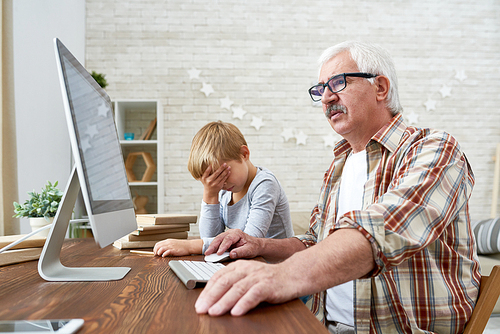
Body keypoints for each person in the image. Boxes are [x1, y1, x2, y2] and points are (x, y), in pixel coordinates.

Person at [194, 41, 481, 334]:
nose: (326, 98)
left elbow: (384, 230)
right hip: (323, 324)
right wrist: (261, 245)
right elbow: (316, 241)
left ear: (380, 88)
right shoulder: (338, 166)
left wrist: (280, 276)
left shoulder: (433, 149)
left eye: (338, 83)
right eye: (320, 89)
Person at [153, 121, 294, 257]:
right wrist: (210, 194)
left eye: (222, 175)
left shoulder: (265, 184)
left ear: (244, 154)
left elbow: (248, 243)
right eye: (213, 179)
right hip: (248, 264)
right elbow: (211, 239)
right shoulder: (225, 190)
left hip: (277, 267)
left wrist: (189, 246)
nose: (221, 184)